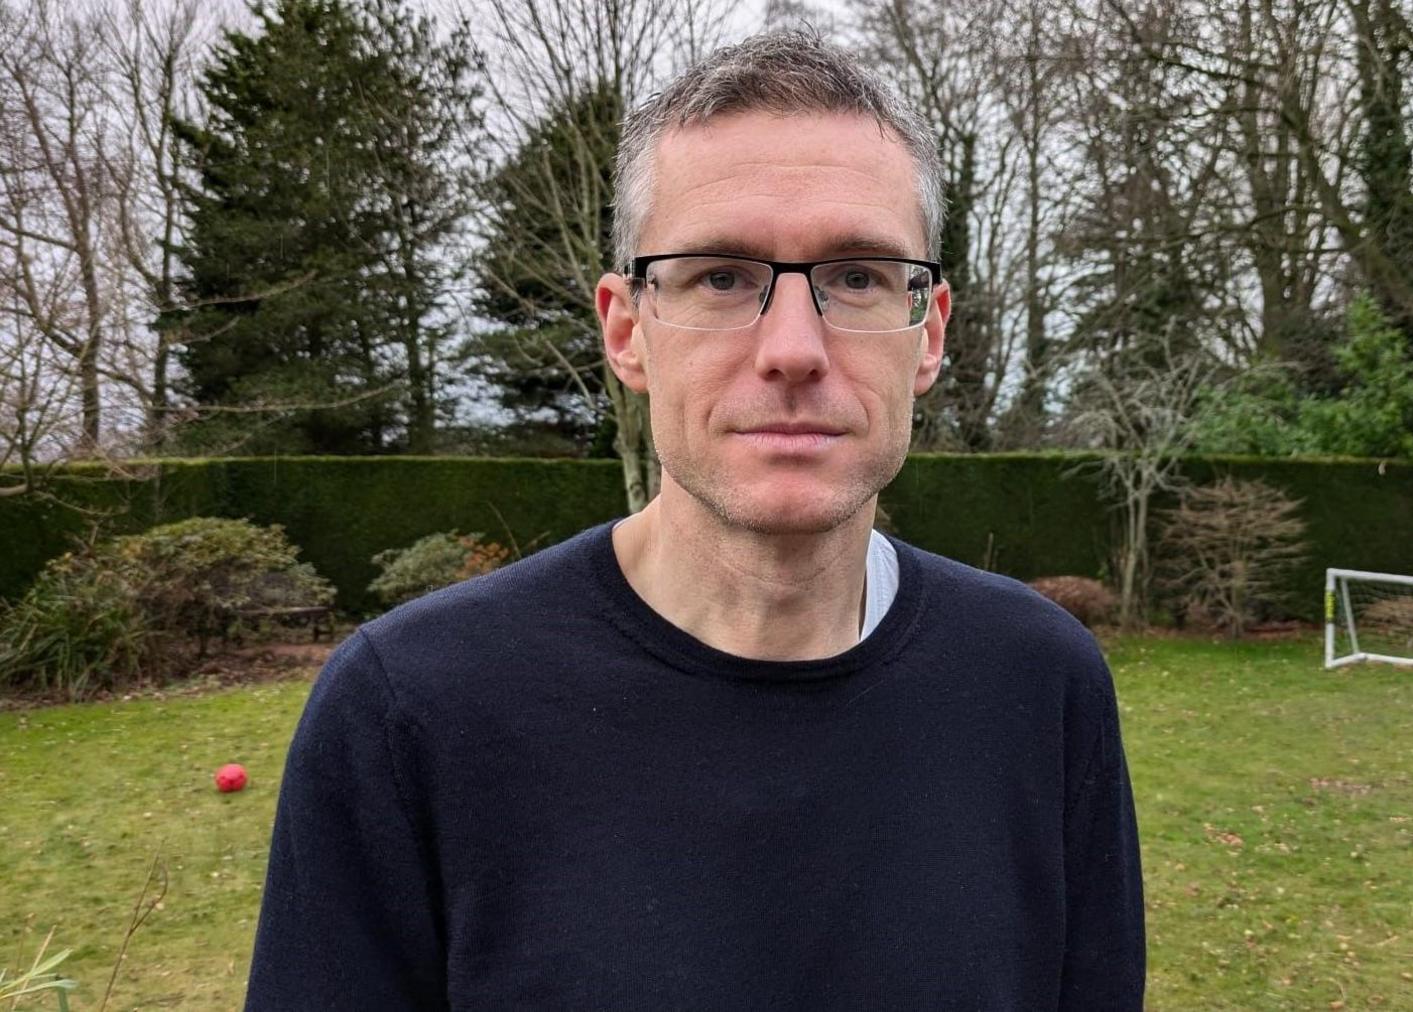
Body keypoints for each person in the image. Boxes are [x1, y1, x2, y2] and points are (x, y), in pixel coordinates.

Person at [246, 31, 1144, 1010]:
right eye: (721, 276)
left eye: (856, 276)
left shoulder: (1040, 685)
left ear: (927, 333)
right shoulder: (408, 711)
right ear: (626, 328)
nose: (794, 349)